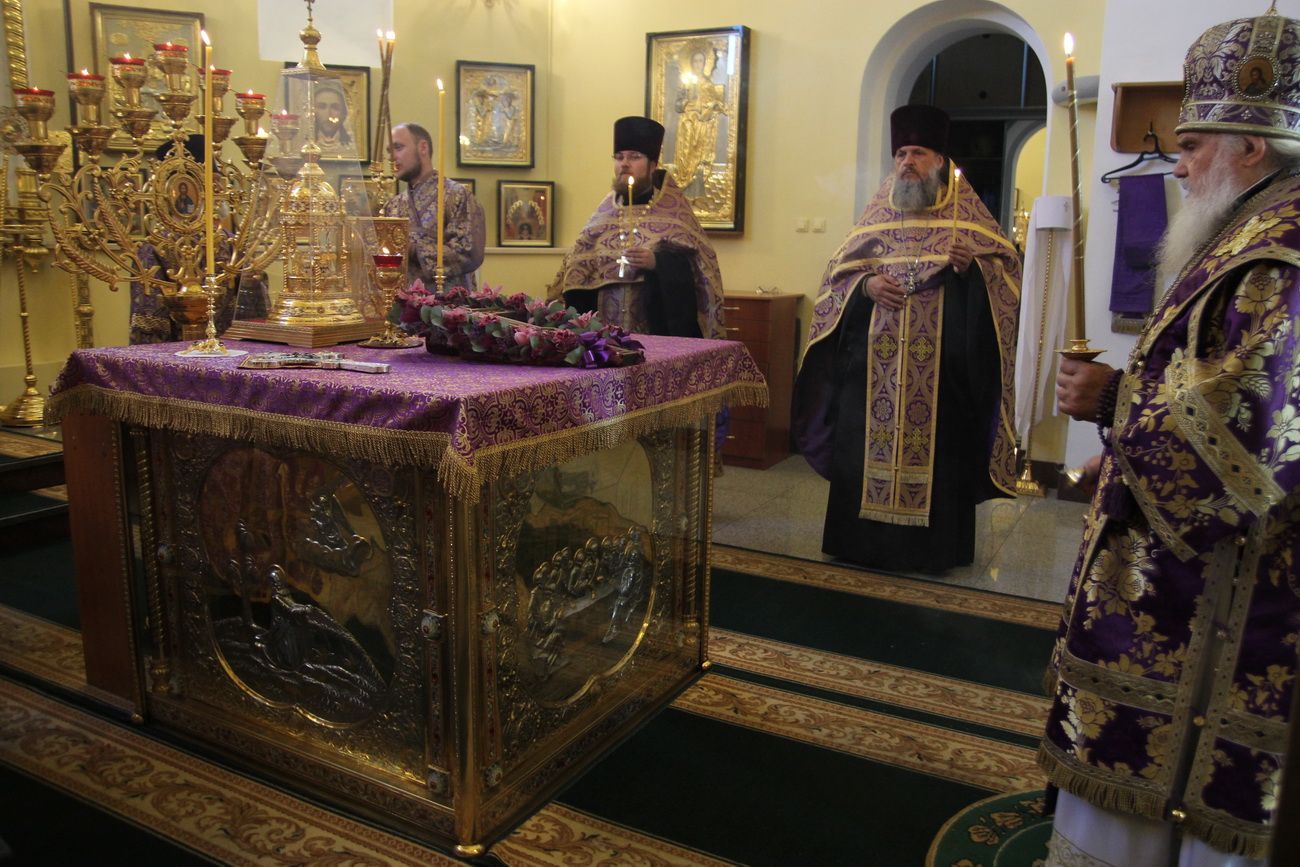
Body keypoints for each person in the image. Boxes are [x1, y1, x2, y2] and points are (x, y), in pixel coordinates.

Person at [1042, 10, 1300, 865]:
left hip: (1223, 584)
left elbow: (1248, 432)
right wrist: (1124, 435)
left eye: (1191, 146)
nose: (1178, 165)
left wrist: (1115, 401)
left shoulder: (1277, 254)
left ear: (1250, 147)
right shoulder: (1251, 228)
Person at [791, 104, 1021, 573]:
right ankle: (861, 544)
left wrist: (971, 270)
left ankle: (931, 550)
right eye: (900, 154)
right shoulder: (876, 216)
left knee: (941, 453)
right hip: (870, 373)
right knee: (862, 451)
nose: (907, 162)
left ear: (940, 161)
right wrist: (867, 286)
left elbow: (1006, 276)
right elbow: (837, 277)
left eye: (917, 153)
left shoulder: (967, 219)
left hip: (943, 375)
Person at [548, 116, 726, 339]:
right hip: (605, 341)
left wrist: (658, 263)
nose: (624, 164)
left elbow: (700, 273)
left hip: (657, 337)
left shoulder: (675, 214)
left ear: (653, 165)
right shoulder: (601, 218)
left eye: (634, 157)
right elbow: (574, 277)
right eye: (619, 157)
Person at [381, 122, 485, 291]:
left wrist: (414, 250)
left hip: (449, 303)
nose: (391, 157)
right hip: (403, 303)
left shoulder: (457, 196)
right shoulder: (392, 206)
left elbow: (469, 253)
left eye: (398, 148)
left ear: (423, 148)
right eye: (388, 151)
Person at [311, 77, 354, 157]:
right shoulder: (307, 145)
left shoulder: (350, 147)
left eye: (335, 107)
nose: (328, 113)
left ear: (343, 113)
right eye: (322, 107)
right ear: (313, 111)